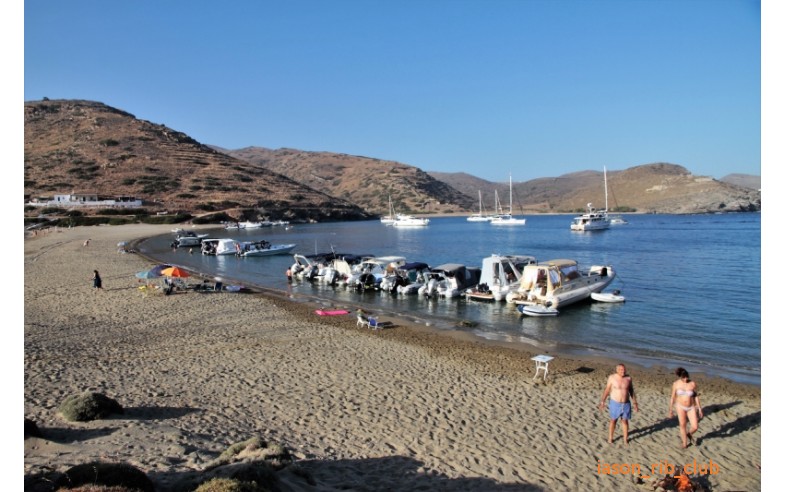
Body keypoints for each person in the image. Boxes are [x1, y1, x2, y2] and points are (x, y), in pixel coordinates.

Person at [598, 363, 638, 445]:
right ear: (617, 370)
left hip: (626, 403)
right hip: (615, 403)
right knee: (613, 420)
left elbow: (631, 391)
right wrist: (602, 401)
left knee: (625, 421)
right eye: (621, 370)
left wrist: (635, 403)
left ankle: (625, 439)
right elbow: (607, 390)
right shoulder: (612, 378)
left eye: (624, 370)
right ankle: (610, 438)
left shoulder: (628, 378)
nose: (623, 371)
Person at [668, 367, 703, 448]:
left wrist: (700, 408)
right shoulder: (676, 384)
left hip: (691, 407)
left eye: (687, 377)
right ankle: (684, 443)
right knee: (682, 425)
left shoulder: (692, 384)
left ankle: (689, 434)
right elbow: (672, 397)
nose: (685, 379)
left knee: (695, 426)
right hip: (680, 406)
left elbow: (696, 396)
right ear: (680, 377)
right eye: (684, 377)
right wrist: (670, 410)